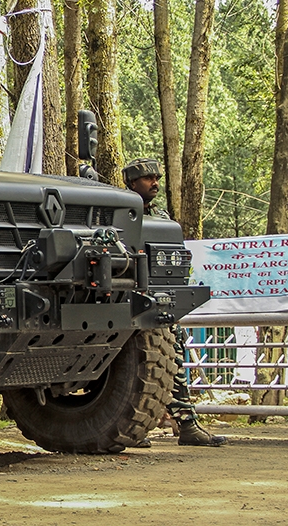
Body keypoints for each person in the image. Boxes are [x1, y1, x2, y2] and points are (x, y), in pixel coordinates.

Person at [122, 158, 227, 448]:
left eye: (156, 177)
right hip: (126, 301)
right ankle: (132, 429)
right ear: (132, 183)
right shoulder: (118, 214)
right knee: (133, 371)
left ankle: (186, 425)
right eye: (147, 179)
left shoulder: (160, 215)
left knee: (172, 358)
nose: (155, 183)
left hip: (157, 302)